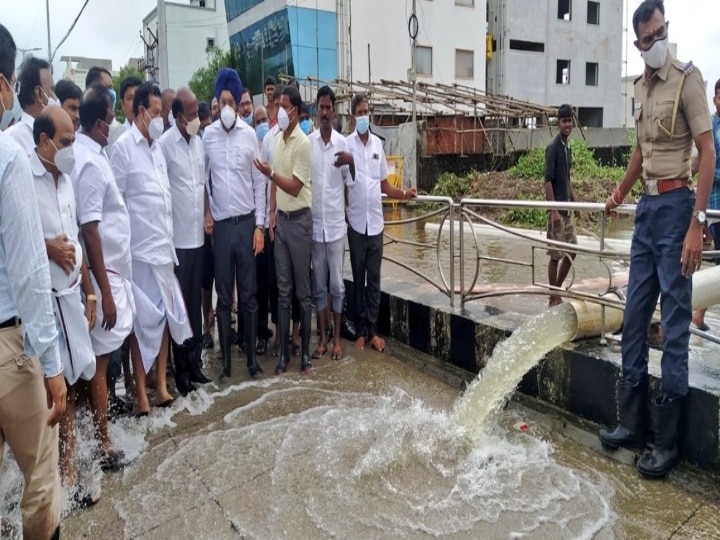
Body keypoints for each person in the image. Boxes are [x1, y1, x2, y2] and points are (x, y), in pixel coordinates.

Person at [600, 0, 716, 479]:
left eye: (660, 32)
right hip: (646, 210)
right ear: (637, 43)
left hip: (676, 208)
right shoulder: (641, 88)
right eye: (647, 39)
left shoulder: (688, 79)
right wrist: (619, 193)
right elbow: (639, 149)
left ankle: (665, 443)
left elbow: (708, 152)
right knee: (633, 314)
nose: (655, 43)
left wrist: (697, 222)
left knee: (673, 320)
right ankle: (632, 424)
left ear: (666, 28)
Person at [0, 24, 65, 538]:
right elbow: (28, 270)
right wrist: (52, 363)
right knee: (41, 483)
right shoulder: (10, 157)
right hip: (10, 348)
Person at [110, 82, 192, 414]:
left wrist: (171, 251)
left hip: (162, 250)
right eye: (156, 113)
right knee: (142, 322)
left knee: (163, 319)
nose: (160, 119)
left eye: (161, 113)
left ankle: (160, 385)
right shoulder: (123, 148)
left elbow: (166, 204)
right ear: (140, 111)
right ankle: (141, 391)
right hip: (138, 253)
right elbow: (115, 207)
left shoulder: (158, 149)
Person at [32, 106, 98, 505]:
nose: (72, 149)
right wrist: (46, 249)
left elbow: (76, 242)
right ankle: (51, 480)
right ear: (44, 141)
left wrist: (89, 292)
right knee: (51, 395)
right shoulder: (23, 179)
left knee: (71, 387)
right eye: (66, 142)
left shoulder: (67, 181)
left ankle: (68, 471)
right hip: (40, 306)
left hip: (71, 298)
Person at [72, 83, 134, 471]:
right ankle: (103, 444)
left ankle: (94, 436)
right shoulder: (91, 163)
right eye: (110, 121)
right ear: (98, 123)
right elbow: (90, 227)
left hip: (103, 271)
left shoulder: (86, 153)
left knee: (95, 359)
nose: (112, 127)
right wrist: (103, 292)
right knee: (98, 360)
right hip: (100, 273)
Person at [204, 68, 265, 381]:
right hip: (223, 229)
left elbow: (258, 183)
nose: (227, 106)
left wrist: (260, 227)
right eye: (222, 100)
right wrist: (207, 214)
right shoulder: (208, 137)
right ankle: (226, 363)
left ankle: (252, 359)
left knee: (250, 297)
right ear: (216, 101)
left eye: (232, 100)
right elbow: (203, 181)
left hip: (246, 225)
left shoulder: (249, 135)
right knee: (224, 298)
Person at [343, 93, 417, 352]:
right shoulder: (347, 145)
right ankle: (360, 331)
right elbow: (340, 181)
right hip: (355, 224)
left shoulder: (377, 145)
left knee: (374, 280)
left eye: (367, 111)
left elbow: (385, 184)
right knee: (358, 279)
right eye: (360, 112)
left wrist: (405, 194)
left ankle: (373, 331)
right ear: (353, 116)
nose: (365, 116)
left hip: (375, 223)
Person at [254, 85, 313, 374]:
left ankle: (305, 354)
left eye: (284, 106)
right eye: (277, 105)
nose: (278, 111)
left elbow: (294, 184)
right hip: (283, 222)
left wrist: (270, 174)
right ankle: (284, 354)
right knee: (283, 290)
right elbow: (276, 185)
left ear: (296, 111)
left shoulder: (303, 143)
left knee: (303, 290)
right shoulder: (276, 141)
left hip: (301, 221)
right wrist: (271, 212)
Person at [159, 87, 211, 395]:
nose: (197, 120)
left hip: (197, 237)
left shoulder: (199, 144)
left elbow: (202, 184)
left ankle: (195, 365)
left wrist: (207, 212)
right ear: (178, 116)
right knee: (178, 309)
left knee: (194, 306)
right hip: (177, 241)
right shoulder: (165, 146)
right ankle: (180, 372)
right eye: (192, 116)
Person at [309, 86, 352, 361]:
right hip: (314, 226)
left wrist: (353, 162)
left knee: (336, 285)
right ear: (316, 110)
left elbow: (352, 182)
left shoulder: (343, 145)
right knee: (319, 287)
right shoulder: (308, 143)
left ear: (334, 111)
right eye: (321, 108)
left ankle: (337, 339)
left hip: (336, 227)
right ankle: (322, 338)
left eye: (328, 108)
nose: (325, 113)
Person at [691, 78, 720, 331]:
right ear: (714, 99)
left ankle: (699, 314)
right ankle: (697, 313)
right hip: (713, 205)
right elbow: (703, 161)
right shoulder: (711, 128)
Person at [544, 103, 577, 307]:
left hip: (567, 210)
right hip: (557, 212)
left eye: (570, 121)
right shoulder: (553, 148)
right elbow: (548, 180)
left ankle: (555, 291)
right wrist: (554, 210)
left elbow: (567, 177)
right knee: (556, 255)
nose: (567, 124)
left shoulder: (568, 147)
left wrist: (575, 202)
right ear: (558, 124)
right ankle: (553, 295)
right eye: (564, 121)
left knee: (572, 250)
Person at [6, 56, 55, 157]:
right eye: (51, 90)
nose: (55, 97)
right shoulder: (12, 139)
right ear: (39, 94)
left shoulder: (53, 136)